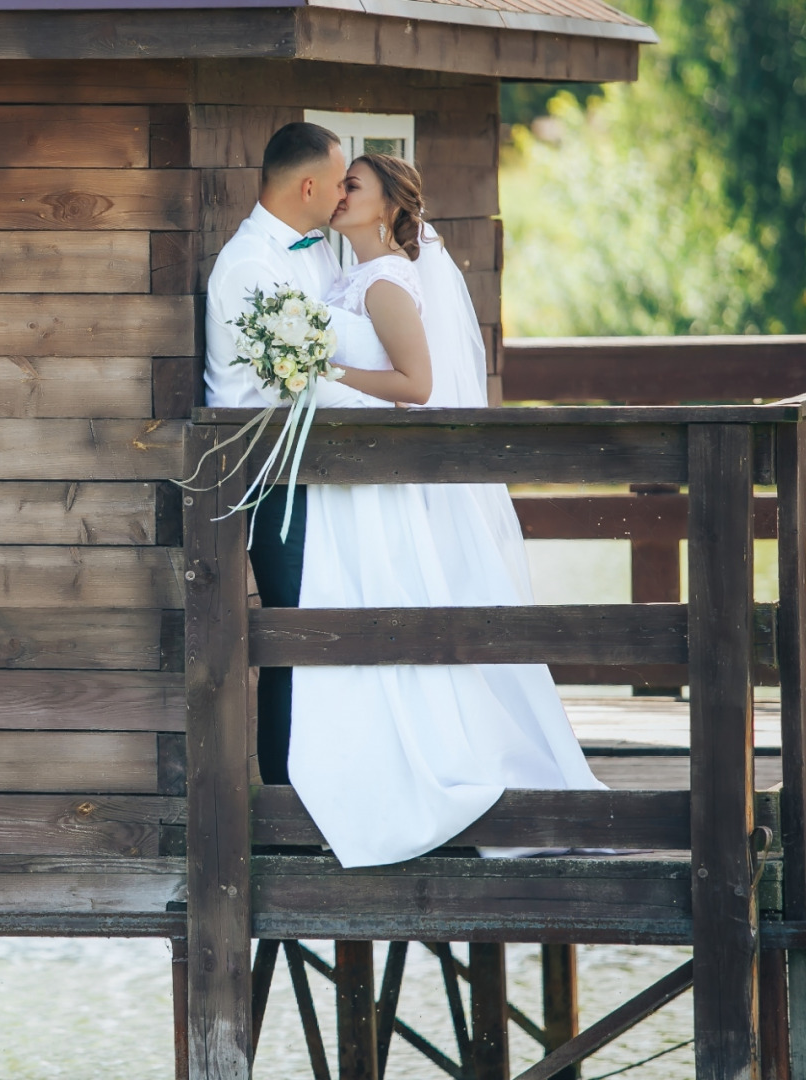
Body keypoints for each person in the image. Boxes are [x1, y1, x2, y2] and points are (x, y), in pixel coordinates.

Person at [284, 152, 604, 867]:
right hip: (354, 490)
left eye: (353, 186)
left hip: (378, 481)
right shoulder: (347, 275)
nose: (339, 195)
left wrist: (321, 368)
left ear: (390, 206)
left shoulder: (388, 280)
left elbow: (418, 385)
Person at [203, 121, 387, 785]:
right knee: (295, 632)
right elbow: (303, 377)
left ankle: (335, 778)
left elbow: (338, 347)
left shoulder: (316, 252)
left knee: (327, 623)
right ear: (309, 185)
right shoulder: (251, 265)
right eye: (340, 182)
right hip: (269, 476)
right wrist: (395, 401)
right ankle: (284, 795)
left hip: (317, 466)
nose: (343, 195)